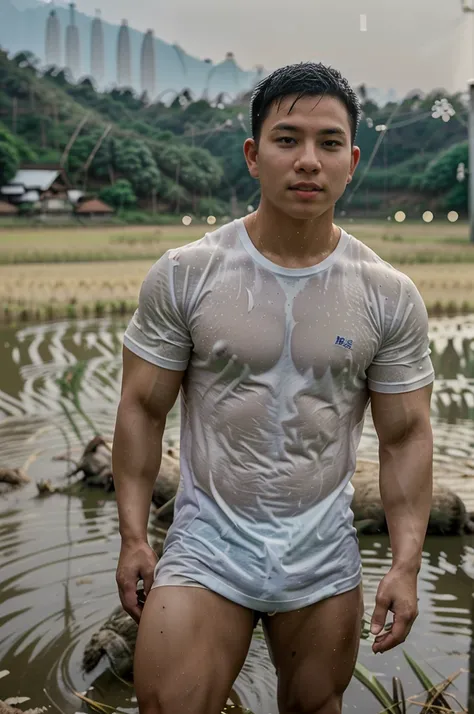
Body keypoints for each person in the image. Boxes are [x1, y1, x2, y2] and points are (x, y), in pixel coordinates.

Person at [113, 61, 434, 714]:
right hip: (208, 546)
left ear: (353, 160)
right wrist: (132, 535)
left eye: (329, 143)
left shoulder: (387, 294)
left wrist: (405, 564)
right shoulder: (187, 274)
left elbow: (406, 437)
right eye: (288, 140)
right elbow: (142, 409)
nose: (309, 160)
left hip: (322, 555)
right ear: (254, 156)